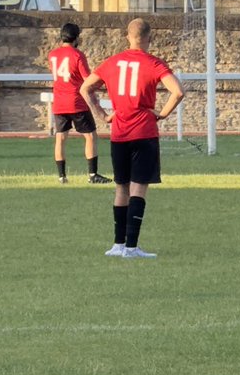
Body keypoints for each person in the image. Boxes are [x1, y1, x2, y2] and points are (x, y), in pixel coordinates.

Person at [80, 19, 185, 259]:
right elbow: (178, 91)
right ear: (150, 37)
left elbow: (85, 88)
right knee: (138, 188)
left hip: (119, 133)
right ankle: (132, 247)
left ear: (127, 36)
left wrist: (103, 115)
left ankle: (117, 244)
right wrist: (163, 114)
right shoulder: (154, 63)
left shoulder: (112, 63)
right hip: (144, 133)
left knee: (121, 188)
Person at [47, 22, 110, 184]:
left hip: (59, 103)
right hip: (76, 102)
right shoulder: (77, 55)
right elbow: (87, 79)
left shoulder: (52, 55)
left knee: (60, 138)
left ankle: (62, 176)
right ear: (76, 38)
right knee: (90, 136)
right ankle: (92, 175)